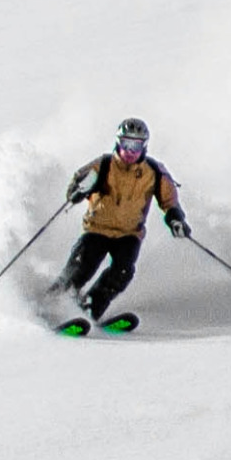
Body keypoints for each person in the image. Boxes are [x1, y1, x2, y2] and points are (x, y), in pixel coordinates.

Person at [53, 117, 190, 320]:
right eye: (126, 144)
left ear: (144, 146)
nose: (130, 151)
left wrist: (175, 218)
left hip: (129, 234)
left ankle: (90, 309)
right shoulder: (104, 164)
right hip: (97, 229)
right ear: (118, 142)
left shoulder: (153, 171)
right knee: (81, 269)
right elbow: (78, 183)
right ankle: (51, 304)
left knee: (122, 273)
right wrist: (78, 191)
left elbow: (169, 199)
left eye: (136, 145)